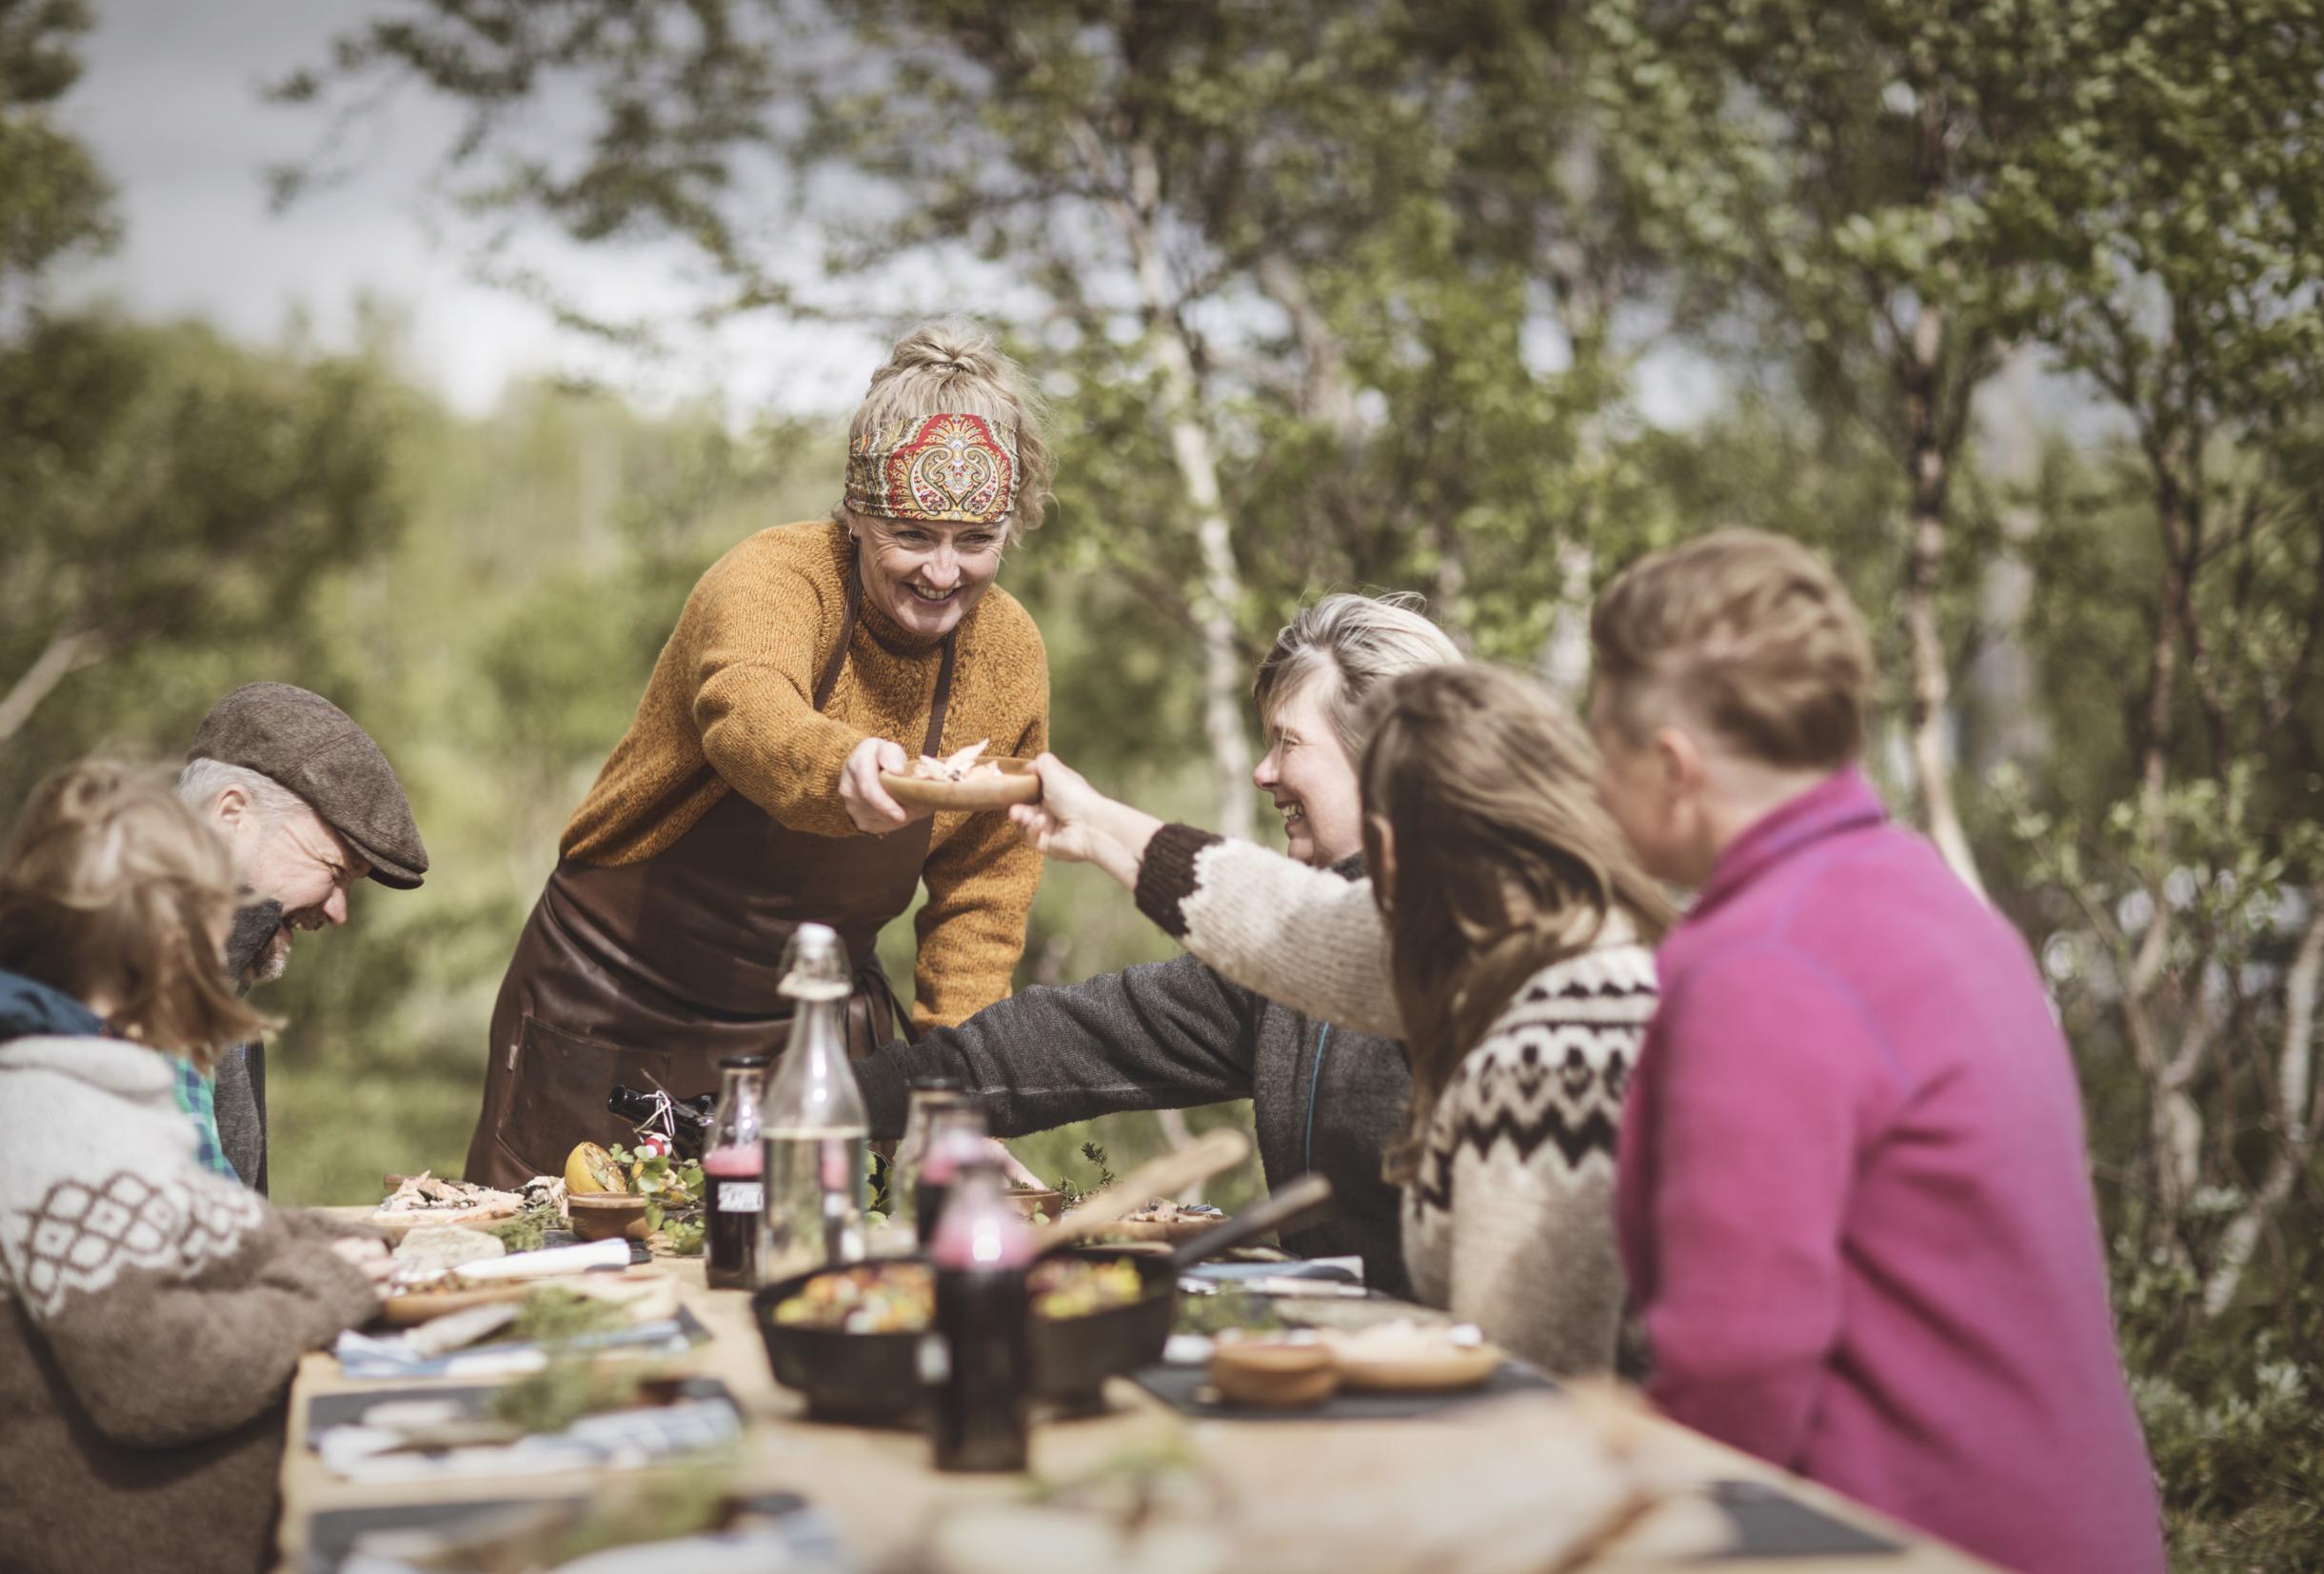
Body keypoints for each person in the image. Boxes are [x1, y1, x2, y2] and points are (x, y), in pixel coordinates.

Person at [1581, 528, 2163, 1574]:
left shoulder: (1758, 960)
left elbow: (1733, 1366)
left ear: (1672, 768)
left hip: (1912, 1544)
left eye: (1600, 749)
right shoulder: (1929, 895)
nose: (1588, 781)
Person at [465, 320, 1056, 1186]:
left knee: (805, 1271)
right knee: (564, 1263)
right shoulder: (775, 578)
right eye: (912, 535)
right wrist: (842, 764)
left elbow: (985, 892)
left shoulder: (1007, 653)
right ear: (855, 513)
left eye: (975, 541)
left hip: (804, 1035)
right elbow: (743, 705)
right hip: (612, 1000)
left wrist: (952, 1095)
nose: (942, 572)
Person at [992, 665, 1670, 1374]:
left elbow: (1535, 1369)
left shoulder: (1557, 1036)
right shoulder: (1507, 939)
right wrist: (1096, 824)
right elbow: (1279, 916)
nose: (1364, 890)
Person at [852, 593, 1460, 1295]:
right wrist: (836, 1101)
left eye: (1288, 742)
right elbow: (1072, 1040)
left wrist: (1101, 824)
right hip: (1340, 1358)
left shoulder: (1461, 927)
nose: (1265, 772)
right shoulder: (1279, 965)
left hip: (1479, 1375)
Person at [0, 761, 392, 1574]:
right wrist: (325, 1290)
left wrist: (328, 1238)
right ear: (166, 944)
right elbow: (151, 1374)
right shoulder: (54, 1117)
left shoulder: (94, 1085)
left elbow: (198, 1223)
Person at [176, 682, 432, 1193]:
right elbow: (193, 1237)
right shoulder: (125, 974)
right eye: (334, 869)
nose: (338, 911)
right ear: (231, 816)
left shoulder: (213, 976)